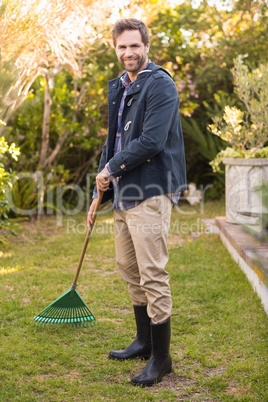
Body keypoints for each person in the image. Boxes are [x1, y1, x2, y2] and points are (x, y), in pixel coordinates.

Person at [87, 18, 186, 387]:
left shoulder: (159, 84)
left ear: (146, 45)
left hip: (151, 188)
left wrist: (111, 168)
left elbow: (152, 141)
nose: (128, 53)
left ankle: (162, 359)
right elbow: (112, 142)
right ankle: (144, 341)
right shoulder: (121, 86)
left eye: (134, 46)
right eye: (121, 47)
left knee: (152, 273)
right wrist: (99, 193)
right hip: (124, 191)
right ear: (115, 49)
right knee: (128, 267)